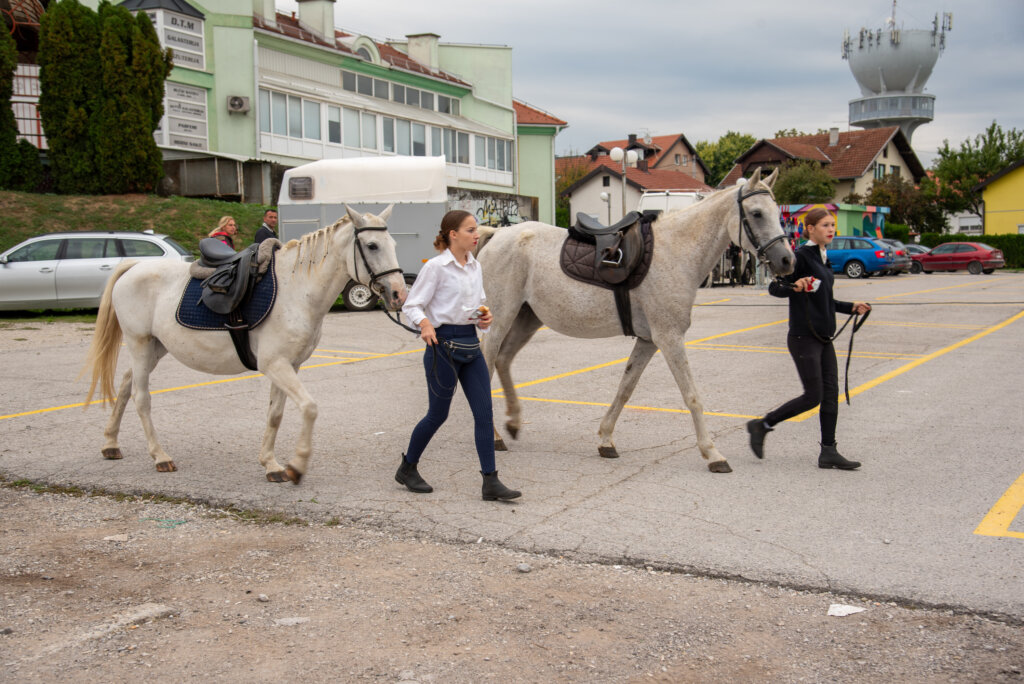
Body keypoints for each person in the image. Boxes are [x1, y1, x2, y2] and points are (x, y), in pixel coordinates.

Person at [397, 210, 521, 501]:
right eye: (470, 230)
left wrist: (483, 317)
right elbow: (412, 305)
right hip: (443, 348)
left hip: (470, 346)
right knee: (437, 415)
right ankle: (407, 467)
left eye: (476, 230)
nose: (476, 235)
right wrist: (425, 324)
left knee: (484, 414)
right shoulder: (437, 267)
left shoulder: (475, 266)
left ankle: (490, 482)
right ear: (453, 234)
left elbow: (477, 304)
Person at [746, 208, 871, 470]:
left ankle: (828, 451)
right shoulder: (801, 256)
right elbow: (775, 287)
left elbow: (825, 299)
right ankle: (763, 424)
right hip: (803, 337)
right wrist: (795, 286)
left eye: (833, 224)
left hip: (823, 338)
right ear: (810, 229)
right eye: (825, 225)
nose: (831, 229)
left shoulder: (823, 258)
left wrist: (852, 307)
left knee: (830, 395)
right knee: (813, 395)